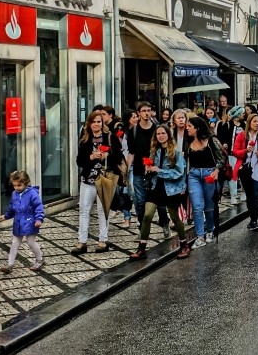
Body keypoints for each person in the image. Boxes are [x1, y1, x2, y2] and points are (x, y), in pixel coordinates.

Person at [130, 124, 190, 259]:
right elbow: (152, 169)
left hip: (171, 189)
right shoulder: (154, 150)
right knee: (147, 216)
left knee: (175, 218)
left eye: (163, 133)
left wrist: (159, 171)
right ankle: (142, 248)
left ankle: (184, 244)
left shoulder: (175, 152)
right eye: (158, 134)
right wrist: (149, 168)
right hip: (155, 187)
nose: (161, 136)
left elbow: (179, 172)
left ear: (168, 135)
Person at [73, 110, 123, 254]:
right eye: (93, 122)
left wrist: (108, 155)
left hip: (105, 179)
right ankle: (82, 241)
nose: (96, 124)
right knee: (84, 210)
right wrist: (91, 156)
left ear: (102, 123)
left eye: (99, 122)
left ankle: (103, 240)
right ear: (89, 124)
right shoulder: (85, 139)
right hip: (88, 179)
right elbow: (79, 161)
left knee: (103, 210)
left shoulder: (110, 138)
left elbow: (119, 158)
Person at [127, 102, 169, 237]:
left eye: (149, 110)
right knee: (140, 202)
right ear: (138, 113)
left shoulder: (157, 129)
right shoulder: (133, 131)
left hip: (155, 170)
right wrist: (126, 170)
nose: (146, 113)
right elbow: (131, 152)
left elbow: (164, 148)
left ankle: (165, 223)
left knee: (160, 201)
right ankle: (142, 228)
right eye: (143, 110)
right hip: (139, 170)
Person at [185, 117, 222, 246]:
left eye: (190, 126)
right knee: (197, 206)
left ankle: (210, 231)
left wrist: (217, 171)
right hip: (194, 175)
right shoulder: (187, 142)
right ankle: (200, 236)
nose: (187, 128)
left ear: (197, 128)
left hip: (209, 174)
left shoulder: (211, 140)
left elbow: (223, 157)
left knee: (209, 206)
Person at [0, 170, 44, 273]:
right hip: (18, 221)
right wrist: (6, 216)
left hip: (30, 221)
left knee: (31, 242)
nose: (17, 188)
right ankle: (10, 265)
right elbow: (12, 207)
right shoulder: (14, 194)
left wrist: (39, 219)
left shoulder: (32, 193)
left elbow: (38, 206)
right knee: (14, 243)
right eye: (14, 186)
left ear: (25, 183)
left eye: (19, 185)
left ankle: (39, 260)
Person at [233, 113, 258, 231]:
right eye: (254, 121)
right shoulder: (241, 136)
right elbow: (235, 151)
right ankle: (252, 218)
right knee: (250, 195)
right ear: (249, 123)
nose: (257, 124)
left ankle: (254, 221)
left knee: (256, 195)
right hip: (245, 169)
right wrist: (245, 150)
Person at [219, 106, 246, 205]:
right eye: (242, 113)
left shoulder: (245, 125)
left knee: (243, 175)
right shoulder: (227, 125)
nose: (244, 114)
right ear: (237, 115)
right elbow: (222, 137)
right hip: (231, 154)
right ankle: (233, 195)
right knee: (233, 175)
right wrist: (224, 144)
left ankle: (244, 193)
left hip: (243, 153)